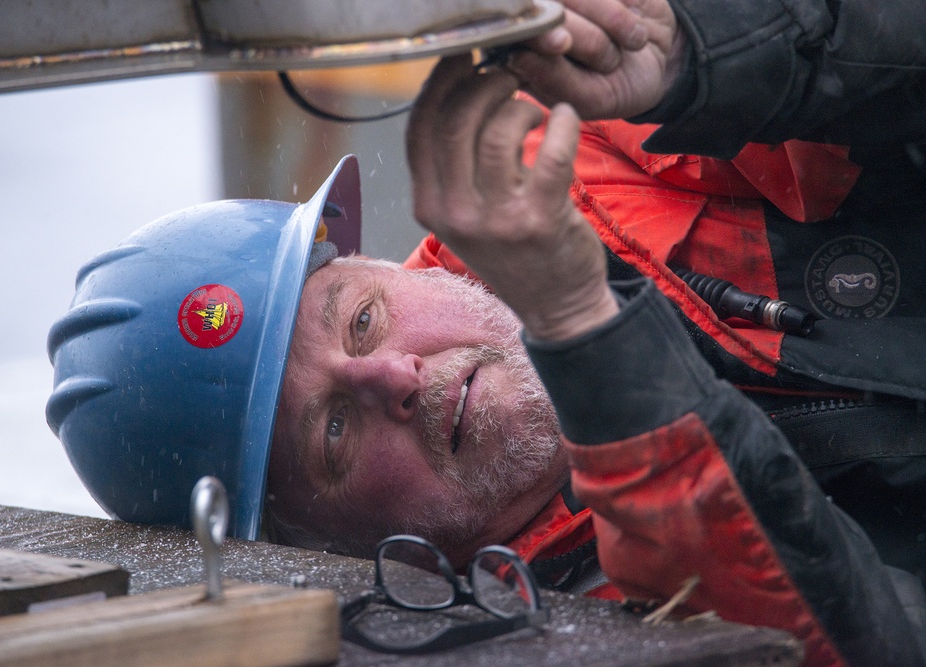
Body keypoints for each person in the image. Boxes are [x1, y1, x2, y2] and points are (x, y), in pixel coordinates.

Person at [47, 1, 926, 664]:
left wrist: (703, 49)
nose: (394, 376)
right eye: (336, 434)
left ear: (393, 265)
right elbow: (855, 642)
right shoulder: (548, 629)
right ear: (317, 547)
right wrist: (584, 328)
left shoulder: (612, 142)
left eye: (361, 318)